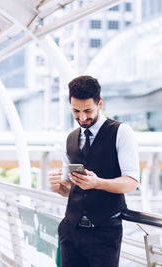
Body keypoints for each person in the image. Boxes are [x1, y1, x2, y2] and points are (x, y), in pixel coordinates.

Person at [49, 75, 139, 267]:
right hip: (70, 231)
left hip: (104, 234)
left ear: (100, 103)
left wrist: (98, 183)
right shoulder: (70, 139)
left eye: (88, 110)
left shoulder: (121, 132)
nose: (82, 118)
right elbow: (69, 191)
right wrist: (59, 187)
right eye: (76, 111)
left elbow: (131, 182)